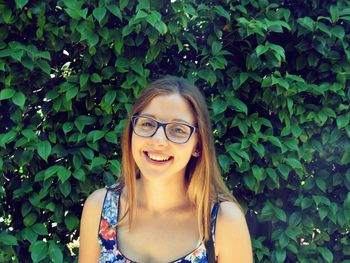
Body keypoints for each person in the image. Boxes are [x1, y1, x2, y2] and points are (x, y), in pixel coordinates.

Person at [78, 76, 253, 263]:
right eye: (147, 123)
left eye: (178, 129)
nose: (158, 140)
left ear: (198, 145)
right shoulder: (99, 207)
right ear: (131, 131)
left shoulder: (224, 221)